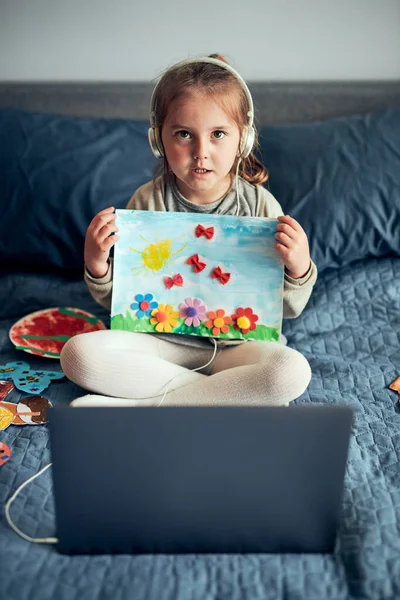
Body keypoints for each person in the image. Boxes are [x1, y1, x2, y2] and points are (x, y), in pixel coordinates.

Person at [60, 53, 318, 408]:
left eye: (218, 135)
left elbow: (288, 309)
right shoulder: (146, 201)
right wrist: (97, 264)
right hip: (160, 343)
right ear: (158, 140)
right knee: (78, 355)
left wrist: (299, 267)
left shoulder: (261, 207)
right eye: (184, 134)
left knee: (290, 373)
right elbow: (120, 302)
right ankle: (219, 395)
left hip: (236, 347)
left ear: (242, 139)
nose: (201, 152)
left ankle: (146, 405)